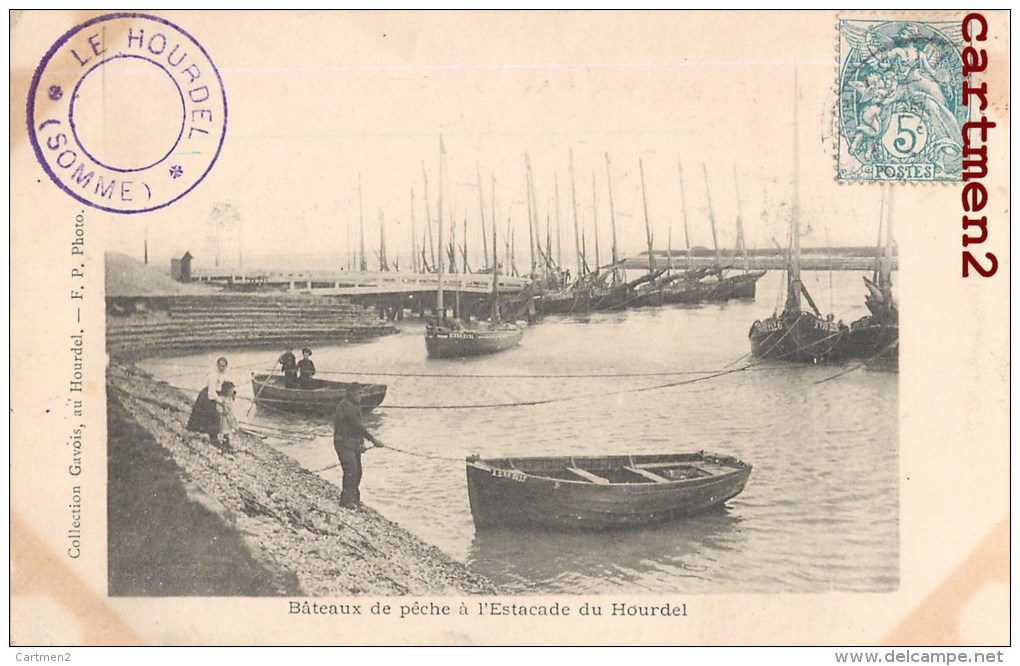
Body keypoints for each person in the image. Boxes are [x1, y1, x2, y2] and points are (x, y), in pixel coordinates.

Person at [332, 383, 384, 508]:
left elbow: (358, 427)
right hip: (343, 442)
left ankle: (354, 499)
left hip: (353, 442)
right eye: (358, 394)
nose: (361, 396)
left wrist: (361, 443)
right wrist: (373, 439)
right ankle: (345, 501)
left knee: (358, 472)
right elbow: (357, 425)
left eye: (361, 393)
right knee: (351, 470)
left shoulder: (355, 406)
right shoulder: (345, 406)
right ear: (351, 394)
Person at [186, 357, 229, 445]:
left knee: (213, 418)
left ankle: (214, 437)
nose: (221, 368)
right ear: (217, 365)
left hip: (213, 396)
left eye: (223, 366)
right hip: (207, 398)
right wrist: (220, 401)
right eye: (220, 366)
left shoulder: (222, 374)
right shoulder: (213, 375)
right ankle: (213, 439)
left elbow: (220, 387)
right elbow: (212, 392)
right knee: (211, 417)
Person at [216, 381, 239, 450]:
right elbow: (218, 407)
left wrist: (234, 396)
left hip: (230, 416)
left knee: (229, 430)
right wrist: (222, 412)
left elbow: (231, 403)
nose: (231, 392)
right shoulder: (221, 398)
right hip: (224, 417)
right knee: (224, 430)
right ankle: (224, 442)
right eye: (230, 390)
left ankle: (227, 441)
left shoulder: (229, 398)